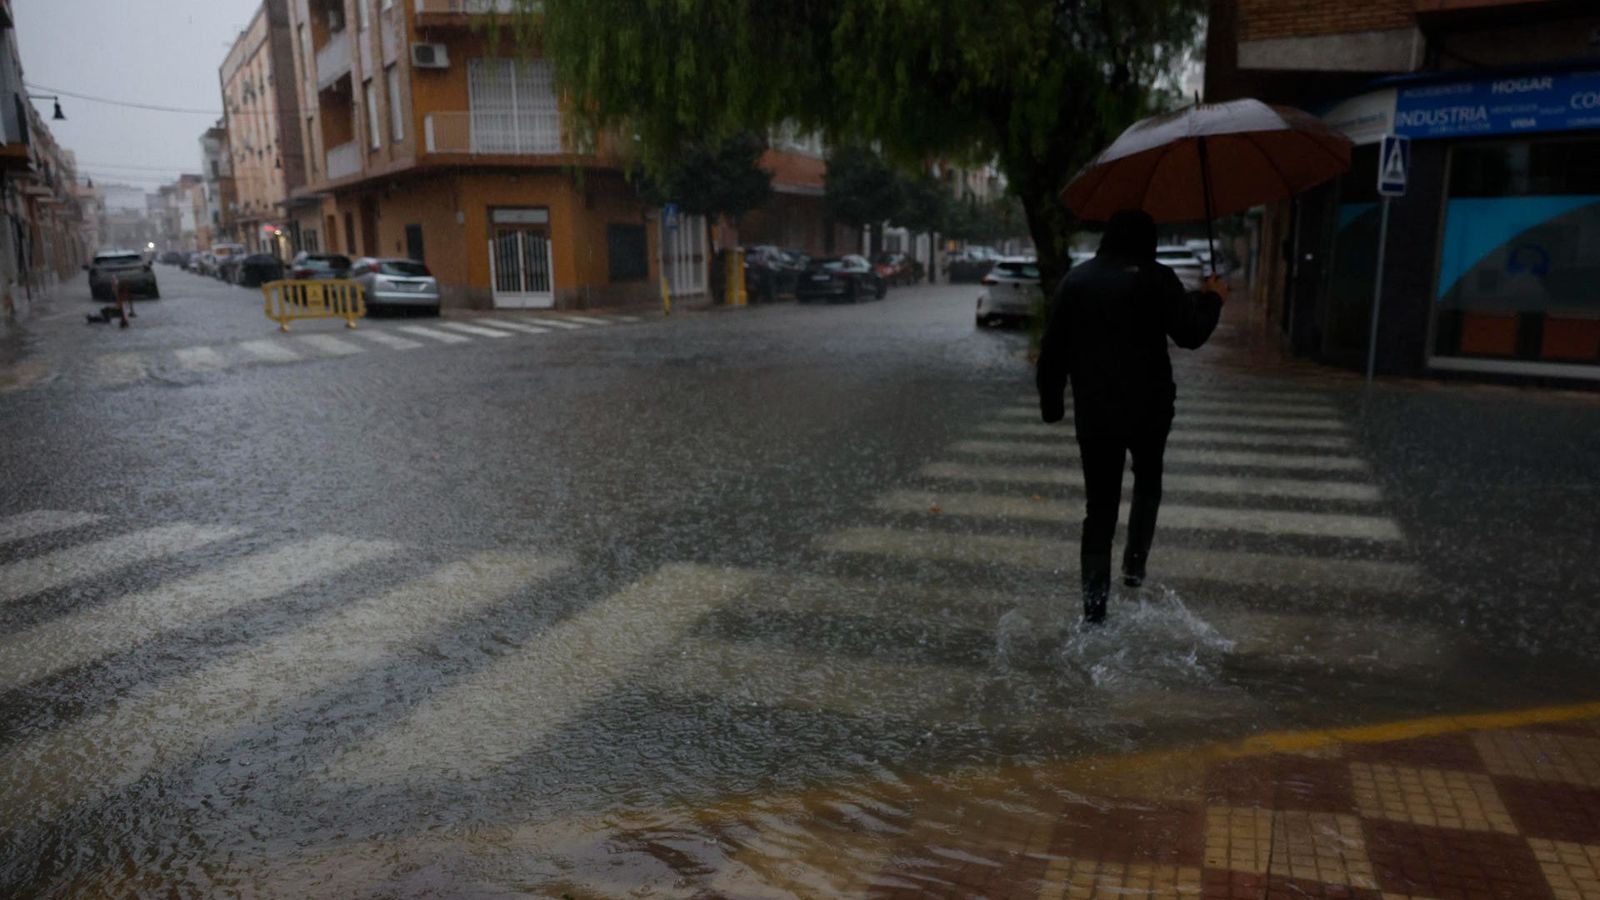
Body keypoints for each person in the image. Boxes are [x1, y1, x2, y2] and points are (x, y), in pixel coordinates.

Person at [1035, 210, 1227, 624]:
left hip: (1096, 411)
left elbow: (1052, 352)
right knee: (1148, 480)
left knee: (1099, 507)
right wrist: (1213, 298)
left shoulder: (1076, 282)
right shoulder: (1158, 279)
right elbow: (1190, 334)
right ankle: (1134, 566)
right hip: (1150, 408)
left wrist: (1053, 407)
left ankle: (1093, 609)